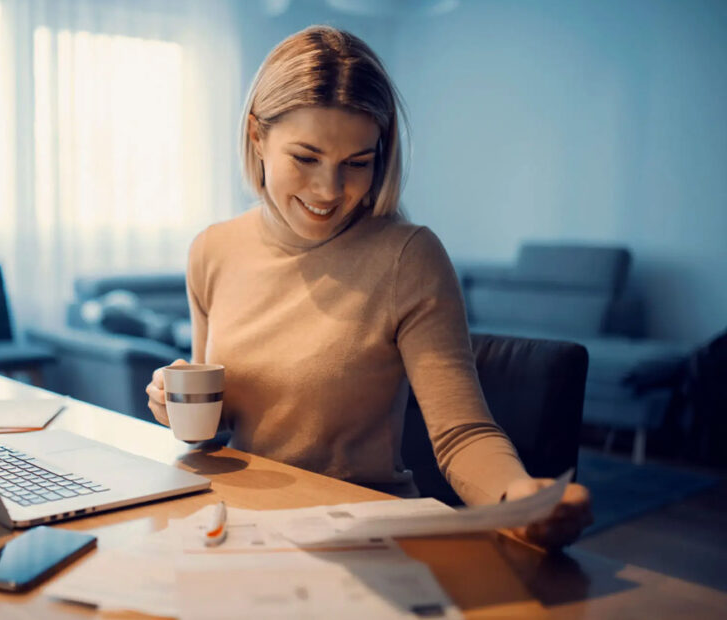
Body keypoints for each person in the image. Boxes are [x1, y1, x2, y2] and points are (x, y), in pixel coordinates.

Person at [146, 25, 592, 549]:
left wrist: (518, 498)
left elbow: (460, 434)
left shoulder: (408, 256)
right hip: (243, 527)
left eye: (357, 164)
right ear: (256, 136)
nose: (330, 191)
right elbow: (214, 426)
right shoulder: (211, 250)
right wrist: (175, 407)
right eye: (306, 158)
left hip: (360, 535)